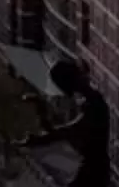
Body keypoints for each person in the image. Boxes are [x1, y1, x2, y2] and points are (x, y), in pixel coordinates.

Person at [20, 57, 111, 187]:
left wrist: (39, 139)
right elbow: (63, 133)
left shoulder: (93, 103)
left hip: (95, 174)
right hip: (91, 170)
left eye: (62, 85)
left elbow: (68, 131)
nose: (62, 90)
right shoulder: (87, 102)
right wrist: (41, 112)